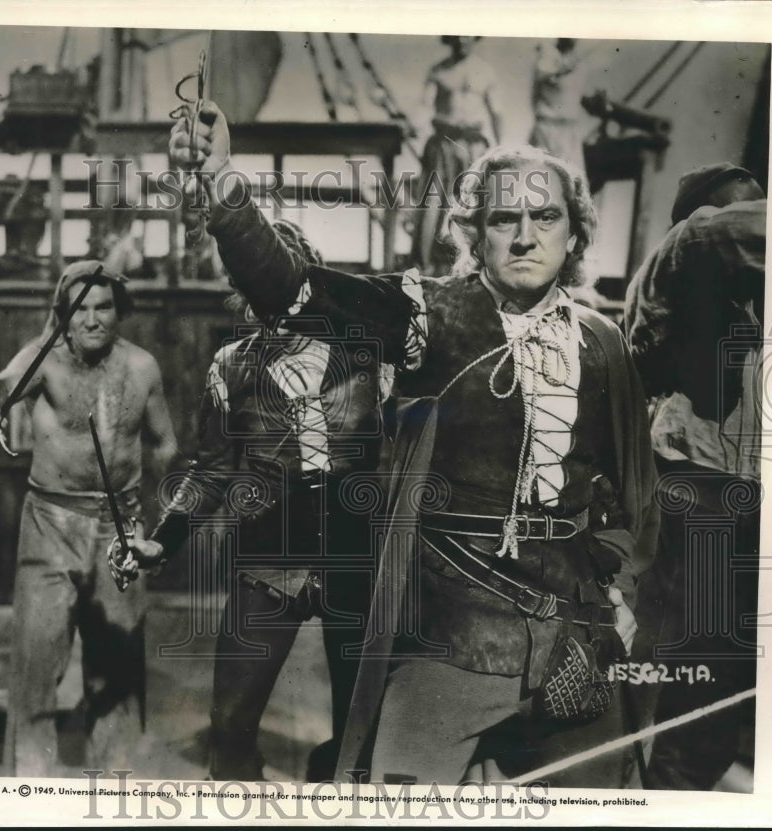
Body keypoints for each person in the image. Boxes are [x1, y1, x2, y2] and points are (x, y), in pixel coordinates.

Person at [169, 102, 659, 787]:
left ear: (575, 234)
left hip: (574, 636)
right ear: (474, 233)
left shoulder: (602, 344)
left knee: (607, 797)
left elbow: (636, 498)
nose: (524, 237)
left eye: (545, 217)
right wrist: (222, 180)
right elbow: (293, 291)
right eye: (503, 219)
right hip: (450, 638)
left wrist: (618, 593)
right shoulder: (425, 311)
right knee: (390, 795)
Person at [135, 220, 385, 782]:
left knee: (358, 744)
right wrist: (161, 540)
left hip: (358, 566)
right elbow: (211, 470)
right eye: (254, 280)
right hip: (269, 563)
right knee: (229, 730)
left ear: (308, 279)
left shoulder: (370, 357)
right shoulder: (231, 366)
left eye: (282, 277)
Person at [0, 260, 177, 776]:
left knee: (118, 674)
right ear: (63, 315)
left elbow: (166, 445)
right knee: (37, 665)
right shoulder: (44, 359)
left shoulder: (143, 367)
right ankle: (31, 791)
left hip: (120, 525)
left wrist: (153, 524)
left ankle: (116, 787)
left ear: (118, 310)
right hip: (51, 522)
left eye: (103, 306)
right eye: (80, 308)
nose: (92, 319)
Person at [624, 163, 765, 790]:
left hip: (724, 486)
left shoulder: (719, 282)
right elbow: (716, 231)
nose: (754, 214)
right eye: (744, 205)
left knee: (702, 671)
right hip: (706, 487)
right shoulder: (694, 243)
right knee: (699, 680)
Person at [412, 35, 504, 276]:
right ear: (450, 40)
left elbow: (497, 112)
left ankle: (477, 268)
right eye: (458, 36)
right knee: (431, 203)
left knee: (475, 205)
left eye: (468, 36)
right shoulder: (439, 71)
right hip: (442, 142)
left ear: (475, 39)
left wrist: (501, 147)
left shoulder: (486, 72)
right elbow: (424, 104)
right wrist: (413, 125)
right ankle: (422, 268)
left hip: (474, 145)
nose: (462, 41)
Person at [528, 39, 606, 177]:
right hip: (547, 129)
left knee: (573, 185)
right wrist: (569, 62)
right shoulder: (546, 57)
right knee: (541, 181)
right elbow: (551, 71)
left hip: (570, 131)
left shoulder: (581, 66)